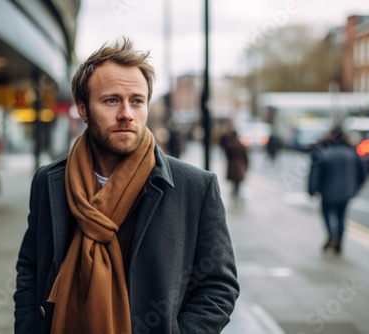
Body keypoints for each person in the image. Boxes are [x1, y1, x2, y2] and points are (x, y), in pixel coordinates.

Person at [14, 37, 239, 334]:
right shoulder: (50, 182)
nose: (126, 114)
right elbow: (31, 271)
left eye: (136, 101)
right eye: (111, 100)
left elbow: (219, 286)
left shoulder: (195, 187)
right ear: (82, 108)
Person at [308, 126, 367, 254]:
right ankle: (339, 242)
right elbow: (363, 173)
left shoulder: (323, 151)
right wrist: (355, 189)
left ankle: (331, 235)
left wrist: (312, 190)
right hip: (346, 192)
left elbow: (315, 173)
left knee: (327, 213)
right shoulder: (352, 152)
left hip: (327, 191)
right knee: (341, 216)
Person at [220, 124, 249, 204]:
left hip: (232, 164)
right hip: (240, 165)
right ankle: (236, 192)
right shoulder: (240, 145)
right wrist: (246, 165)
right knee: (238, 180)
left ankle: (234, 192)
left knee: (234, 180)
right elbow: (245, 156)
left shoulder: (230, 145)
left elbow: (227, 154)